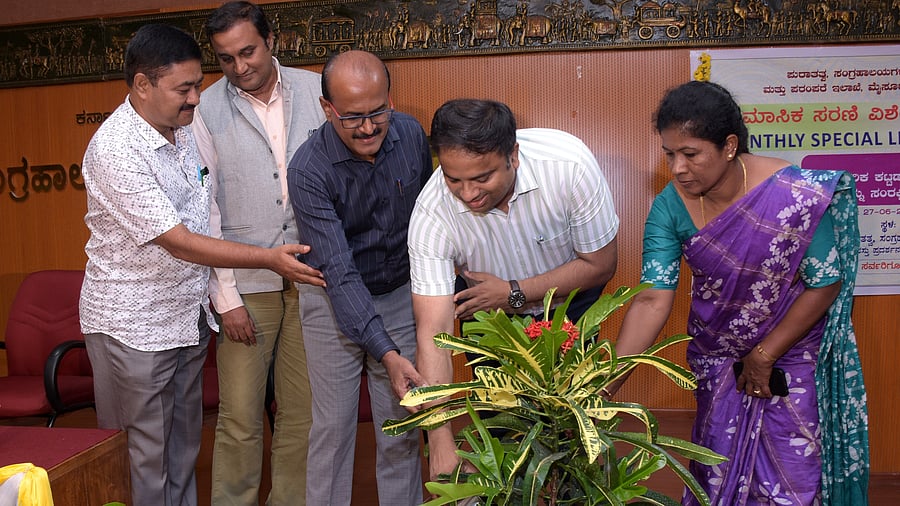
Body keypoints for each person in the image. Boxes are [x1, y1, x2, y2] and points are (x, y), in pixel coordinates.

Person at [79, 23, 325, 506]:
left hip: (185, 318)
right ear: (143, 85)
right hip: (133, 325)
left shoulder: (183, 129)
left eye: (196, 84)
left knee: (183, 447)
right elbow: (181, 242)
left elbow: (204, 206)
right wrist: (268, 259)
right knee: (142, 455)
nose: (197, 98)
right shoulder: (115, 149)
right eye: (184, 89)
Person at [610, 80, 869, 505]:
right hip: (720, 364)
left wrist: (764, 355)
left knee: (793, 481)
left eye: (689, 154)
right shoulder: (670, 206)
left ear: (729, 146)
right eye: (669, 154)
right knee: (716, 477)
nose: (677, 168)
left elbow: (825, 282)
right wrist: (604, 386)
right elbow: (652, 298)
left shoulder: (795, 194)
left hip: (793, 359)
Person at [408, 98, 620, 480]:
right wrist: (440, 441)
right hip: (489, 319)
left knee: (575, 442)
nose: (468, 193)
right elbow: (434, 334)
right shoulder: (430, 214)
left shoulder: (568, 166)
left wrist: (514, 292)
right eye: (454, 179)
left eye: (482, 177)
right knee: (503, 440)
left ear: (514, 156)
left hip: (569, 307)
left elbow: (601, 264)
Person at [193, 2, 325, 504]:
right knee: (241, 413)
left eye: (247, 51)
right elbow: (201, 207)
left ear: (273, 39)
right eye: (226, 59)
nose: (239, 66)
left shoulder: (319, 91)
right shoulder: (203, 109)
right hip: (246, 287)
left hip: (314, 280)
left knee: (302, 412)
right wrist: (224, 297)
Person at [286, 50, 430, 506]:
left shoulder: (409, 134)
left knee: (401, 427)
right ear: (328, 109)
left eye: (377, 113)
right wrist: (384, 351)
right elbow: (339, 272)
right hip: (332, 302)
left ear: (390, 100)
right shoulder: (308, 169)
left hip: (400, 293)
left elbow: (431, 224)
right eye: (352, 118)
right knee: (332, 431)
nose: (368, 128)